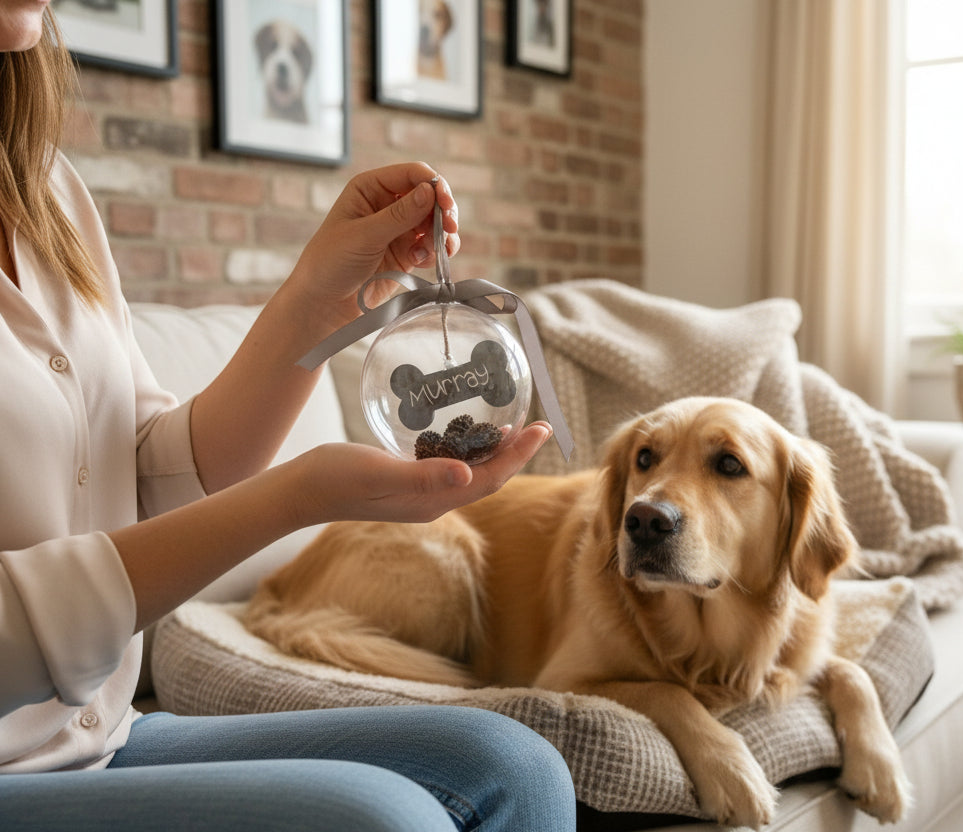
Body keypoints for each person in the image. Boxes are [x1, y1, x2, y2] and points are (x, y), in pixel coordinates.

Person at [0, 4, 576, 830]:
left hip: (96, 738)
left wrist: (319, 298)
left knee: (516, 767)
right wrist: (294, 497)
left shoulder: (46, 188)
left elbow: (146, 472)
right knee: (386, 820)